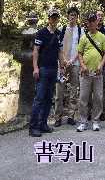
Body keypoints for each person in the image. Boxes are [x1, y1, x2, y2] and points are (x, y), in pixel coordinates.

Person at [29, 8, 66, 137]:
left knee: (49, 98)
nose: (54, 20)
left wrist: (62, 67)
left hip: (53, 69)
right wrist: (35, 68)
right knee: (39, 98)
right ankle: (33, 127)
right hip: (43, 69)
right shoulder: (41, 33)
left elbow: (60, 52)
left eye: (56, 17)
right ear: (48, 19)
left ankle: (43, 124)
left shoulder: (59, 33)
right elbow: (36, 51)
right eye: (52, 17)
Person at [76, 12, 105, 132]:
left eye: (93, 21)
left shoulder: (102, 37)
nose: (91, 23)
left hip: (98, 73)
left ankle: (96, 121)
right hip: (85, 72)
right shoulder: (84, 37)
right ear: (87, 23)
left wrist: (101, 65)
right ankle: (83, 121)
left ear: (97, 22)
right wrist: (83, 65)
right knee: (83, 98)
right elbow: (79, 53)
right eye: (89, 22)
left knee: (98, 98)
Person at [54, 6, 82, 127]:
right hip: (62, 64)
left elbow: (81, 48)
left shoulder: (80, 31)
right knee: (59, 91)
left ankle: (71, 116)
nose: (72, 17)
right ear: (68, 16)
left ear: (77, 17)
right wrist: (64, 61)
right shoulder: (62, 29)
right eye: (71, 15)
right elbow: (58, 47)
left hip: (75, 63)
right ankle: (57, 117)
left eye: (75, 15)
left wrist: (72, 60)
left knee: (73, 90)